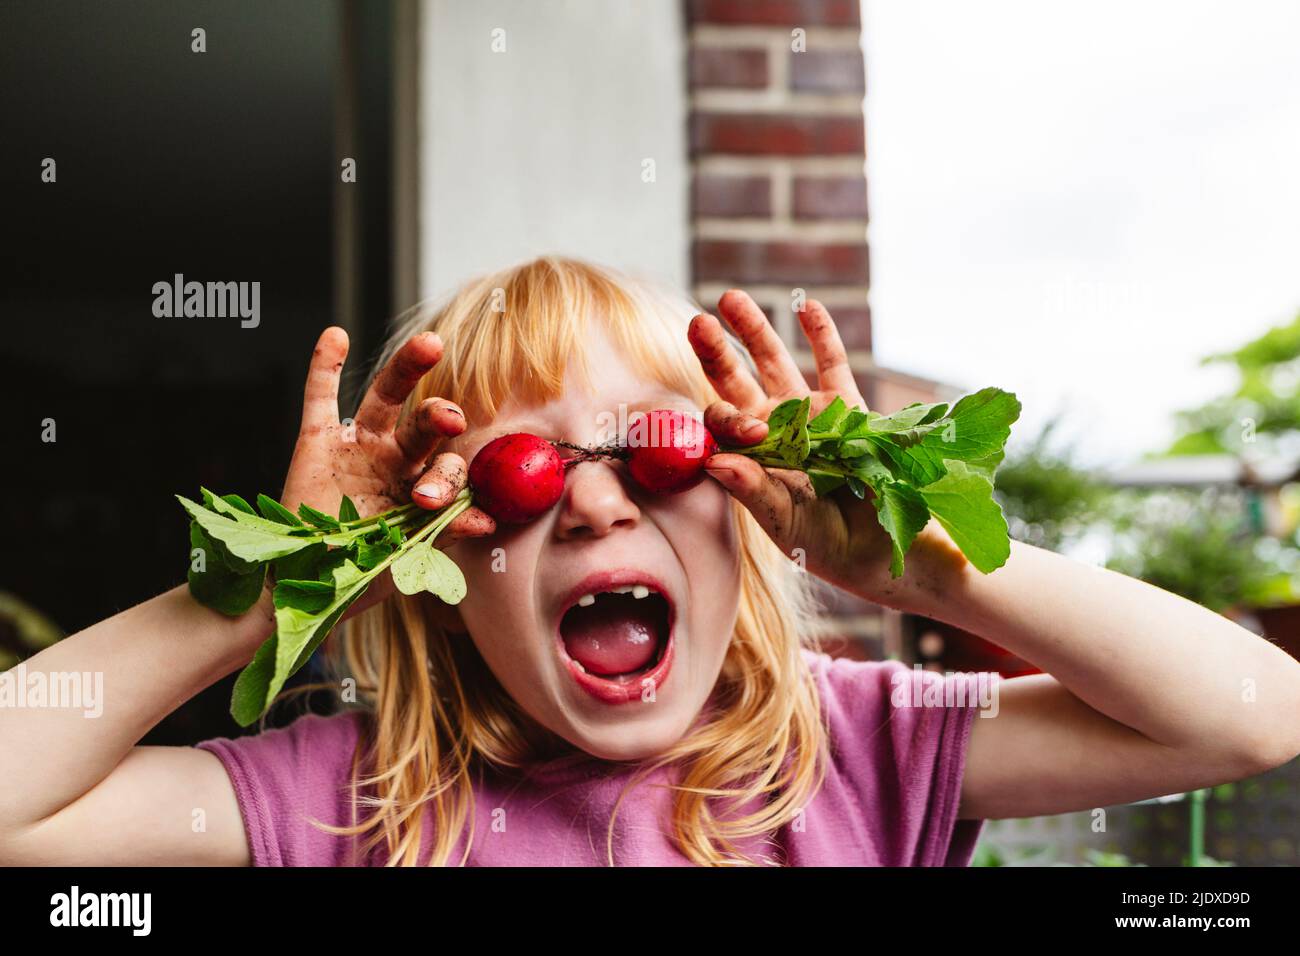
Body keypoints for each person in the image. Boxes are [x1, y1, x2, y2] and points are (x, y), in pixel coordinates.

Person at [4, 256, 1298, 866]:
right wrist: (276, 588)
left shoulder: (857, 752)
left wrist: (933, 570)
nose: (595, 505)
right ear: (443, 590)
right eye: (523, 470)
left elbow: (1255, 716)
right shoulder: (346, 799)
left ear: (742, 520)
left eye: (657, 454)